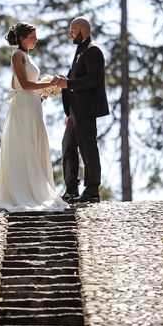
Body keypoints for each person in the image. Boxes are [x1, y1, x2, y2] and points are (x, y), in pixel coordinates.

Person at [0, 22, 68, 212]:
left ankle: (34, 188)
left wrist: (42, 92)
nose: (36, 40)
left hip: (32, 105)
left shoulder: (26, 56)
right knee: (25, 144)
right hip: (24, 106)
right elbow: (24, 85)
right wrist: (48, 84)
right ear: (22, 38)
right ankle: (25, 191)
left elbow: (14, 84)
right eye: (32, 37)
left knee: (34, 142)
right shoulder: (17, 55)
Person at [55, 17, 109, 203]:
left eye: (73, 29)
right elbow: (78, 78)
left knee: (88, 148)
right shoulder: (81, 49)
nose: (70, 33)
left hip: (86, 110)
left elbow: (94, 79)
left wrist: (67, 83)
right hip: (74, 111)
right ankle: (71, 189)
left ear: (82, 30)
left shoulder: (93, 50)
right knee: (67, 146)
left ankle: (92, 191)